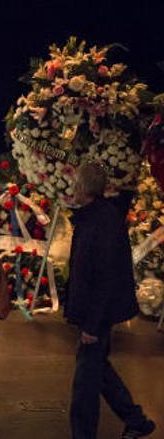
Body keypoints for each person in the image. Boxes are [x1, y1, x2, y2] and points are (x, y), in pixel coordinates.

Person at [66, 162, 156, 439]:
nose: (72, 188)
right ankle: (137, 420)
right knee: (97, 369)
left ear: (83, 189)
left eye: (75, 184)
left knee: (85, 387)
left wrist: (91, 325)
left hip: (97, 316)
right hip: (94, 313)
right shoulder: (97, 217)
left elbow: (104, 279)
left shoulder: (100, 223)